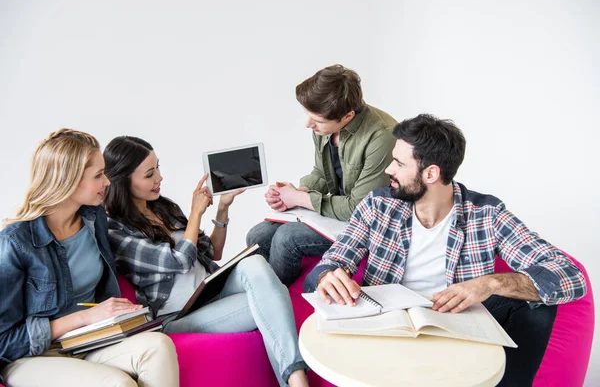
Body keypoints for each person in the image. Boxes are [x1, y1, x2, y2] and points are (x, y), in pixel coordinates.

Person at [304, 114, 587, 386]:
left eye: (398, 163)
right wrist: (327, 275)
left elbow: (570, 276)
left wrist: (490, 283)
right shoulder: (378, 205)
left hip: (457, 328)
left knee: (536, 307)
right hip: (389, 328)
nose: (388, 170)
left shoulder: (486, 214)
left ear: (431, 173)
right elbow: (335, 258)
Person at [102, 136, 309, 387]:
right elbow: (181, 262)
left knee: (254, 264)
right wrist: (195, 214)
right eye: (149, 174)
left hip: (210, 290)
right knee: (271, 298)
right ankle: (297, 379)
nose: (159, 178)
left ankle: (296, 379)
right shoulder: (117, 231)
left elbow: (214, 252)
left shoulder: (162, 208)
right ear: (123, 181)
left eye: (158, 167)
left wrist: (222, 208)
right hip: (178, 316)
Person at [0, 129, 179, 387]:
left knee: (158, 346)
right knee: (117, 383)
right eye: (98, 175)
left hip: (89, 340)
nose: (107, 182)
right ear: (68, 180)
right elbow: (4, 341)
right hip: (35, 356)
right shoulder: (15, 242)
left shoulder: (94, 220)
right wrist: (84, 318)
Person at [246, 64, 397, 285]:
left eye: (316, 120)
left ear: (348, 116)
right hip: (333, 212)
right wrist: (297, 191)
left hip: (369, 223)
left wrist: (299, 199)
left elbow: (360, 209)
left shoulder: (382, 136)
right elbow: (321, 172)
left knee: (286, 239)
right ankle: (256, 292)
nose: (308, 125)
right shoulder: (324, 127)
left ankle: (273, 300)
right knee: (257, 236)